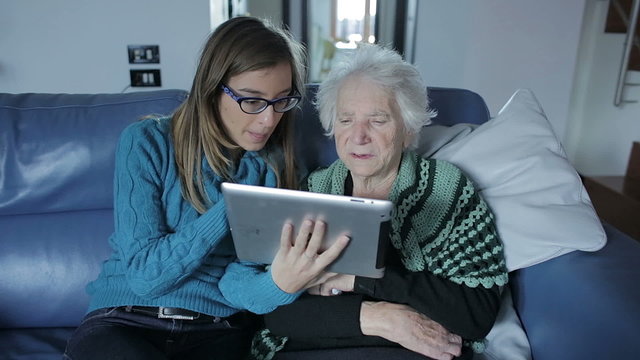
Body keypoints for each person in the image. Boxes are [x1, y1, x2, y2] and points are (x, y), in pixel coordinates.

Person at [63, 16, 347, 360]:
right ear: (213, 89)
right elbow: (145, 276)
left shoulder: (277, 167)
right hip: (124, 320)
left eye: (281, 101)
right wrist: (231, 208)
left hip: (218, 329)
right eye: (252, 100)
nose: (268, 120)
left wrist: (279, 285)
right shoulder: (146, 143)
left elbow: (240, 284)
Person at [248, 44, 509, 360]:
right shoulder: (313, 191)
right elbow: (276, 313)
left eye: (377, 120)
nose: (358, 137)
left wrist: (357, 280)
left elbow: (474, 315)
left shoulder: (448, 190)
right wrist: (383, 318)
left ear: (407, 128)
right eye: (346, 120)